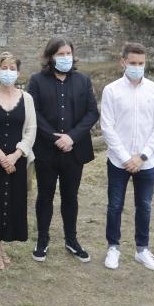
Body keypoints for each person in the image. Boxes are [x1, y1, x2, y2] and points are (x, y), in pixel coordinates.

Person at [27, 37, 99, 263]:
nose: (65, 57)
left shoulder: (83, 81)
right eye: (60, 54)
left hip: (73, 151)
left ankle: (71, 239)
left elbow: (91, 113)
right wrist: (53, 137)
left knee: (71, 196)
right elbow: (33, 112)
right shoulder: (37, 81)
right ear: (50, 57)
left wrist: (71, 137)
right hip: (46, 151)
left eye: (68, 53)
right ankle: (42, 239)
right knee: (45, 196)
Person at [100, 42, 154, 271]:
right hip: (119, 161)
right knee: (115, 205)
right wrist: (126, 157)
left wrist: (143, 157)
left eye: (141, 63)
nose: (137, 67)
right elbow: (107, 127)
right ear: (123, 62)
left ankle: (142, 249)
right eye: (133, 63)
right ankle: (113, 247)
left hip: (146, 162)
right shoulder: (111, 90)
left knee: (145, 206)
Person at [0, 52, 36, 270]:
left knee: (13, 202)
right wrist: (2, 156)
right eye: (4, 68)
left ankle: (5, 245)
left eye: (12, 68)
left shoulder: (27, 98)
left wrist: (16, 155)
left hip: (18, 161)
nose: (8, 72)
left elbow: (30, 130)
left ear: (18, 73)